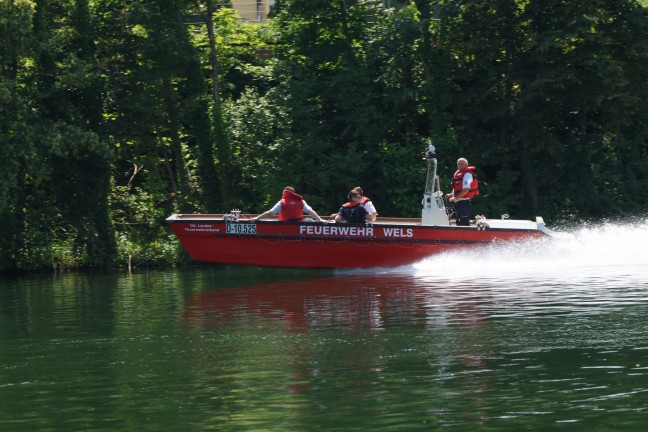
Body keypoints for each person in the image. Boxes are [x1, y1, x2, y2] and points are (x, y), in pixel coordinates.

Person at [253, 186, 324, 222]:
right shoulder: (301, 201)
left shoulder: (282, 202)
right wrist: (320, 219)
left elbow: (269, 213)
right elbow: (310, 211)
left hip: (285, 226)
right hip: (298, 225)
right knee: (310, 220)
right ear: (294, 193)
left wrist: (256, 218)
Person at [445, 157, 479, 226]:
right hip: (459, 202)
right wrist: (451, 194)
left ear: (466, 164)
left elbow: (466, 189)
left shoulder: (467, 175)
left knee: (464, 222)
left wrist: (456, 198)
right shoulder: (458, 174)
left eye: (462, 164)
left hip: (464, 203)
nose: (460, 165)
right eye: (458, 164)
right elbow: (457, 188)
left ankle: (465, 235)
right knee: (459, 221)